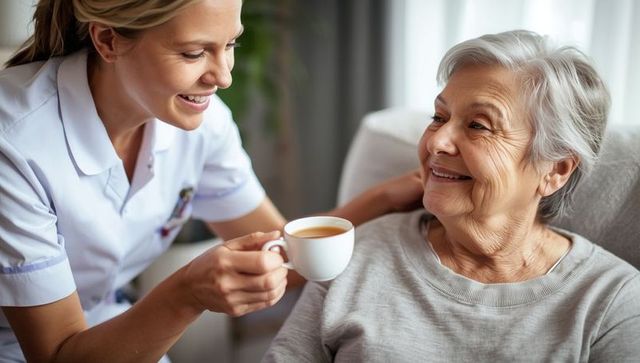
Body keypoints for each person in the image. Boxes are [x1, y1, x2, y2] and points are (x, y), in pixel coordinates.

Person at [0, 0, 423, 361]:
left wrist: (384, 198)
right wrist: (186, 293)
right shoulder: (14, 143)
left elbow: (278, 250)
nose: (223, 76)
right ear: (108, 41)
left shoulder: (202, 123)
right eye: (193, 53)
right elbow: (56, 354)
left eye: (230, 44)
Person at [263, 30, 640, 362]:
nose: (437, 142)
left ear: (555, 170)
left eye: (478, 125)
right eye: (439, 117)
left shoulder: (612, 300)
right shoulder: (357, 252)